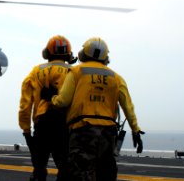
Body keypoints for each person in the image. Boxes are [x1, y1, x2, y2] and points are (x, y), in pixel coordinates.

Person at [43, 37, 144, 180]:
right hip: (108, 134)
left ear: (83, 53)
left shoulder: (76, 72)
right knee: (105, 173)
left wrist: (51, 98)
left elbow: (63, 101)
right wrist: (135, 130)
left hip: (82, 131)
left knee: (80, 172)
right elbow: (128, 106)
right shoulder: (116, 77)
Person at [18, 35, 77, 181]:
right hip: (66, 125)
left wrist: (26, 130)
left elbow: (25, 103)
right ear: (68, 54)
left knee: (39, 168)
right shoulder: (75, 72)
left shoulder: (36, 71)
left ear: (47, 53)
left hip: (42, 124)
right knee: (65, 170)